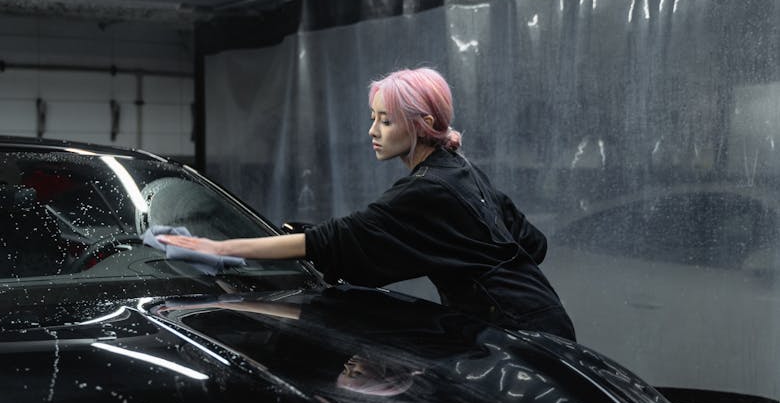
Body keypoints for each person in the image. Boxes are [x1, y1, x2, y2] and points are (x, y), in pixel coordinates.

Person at [159, 67, 575, 340]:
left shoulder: (426, 190)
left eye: (386, 120)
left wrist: (217, 249)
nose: (372, 130)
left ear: (424, 125)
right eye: (373, 116)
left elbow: (331, 241)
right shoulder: (460, 171)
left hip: (516, 333)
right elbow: (532, 244)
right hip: (543, 316)